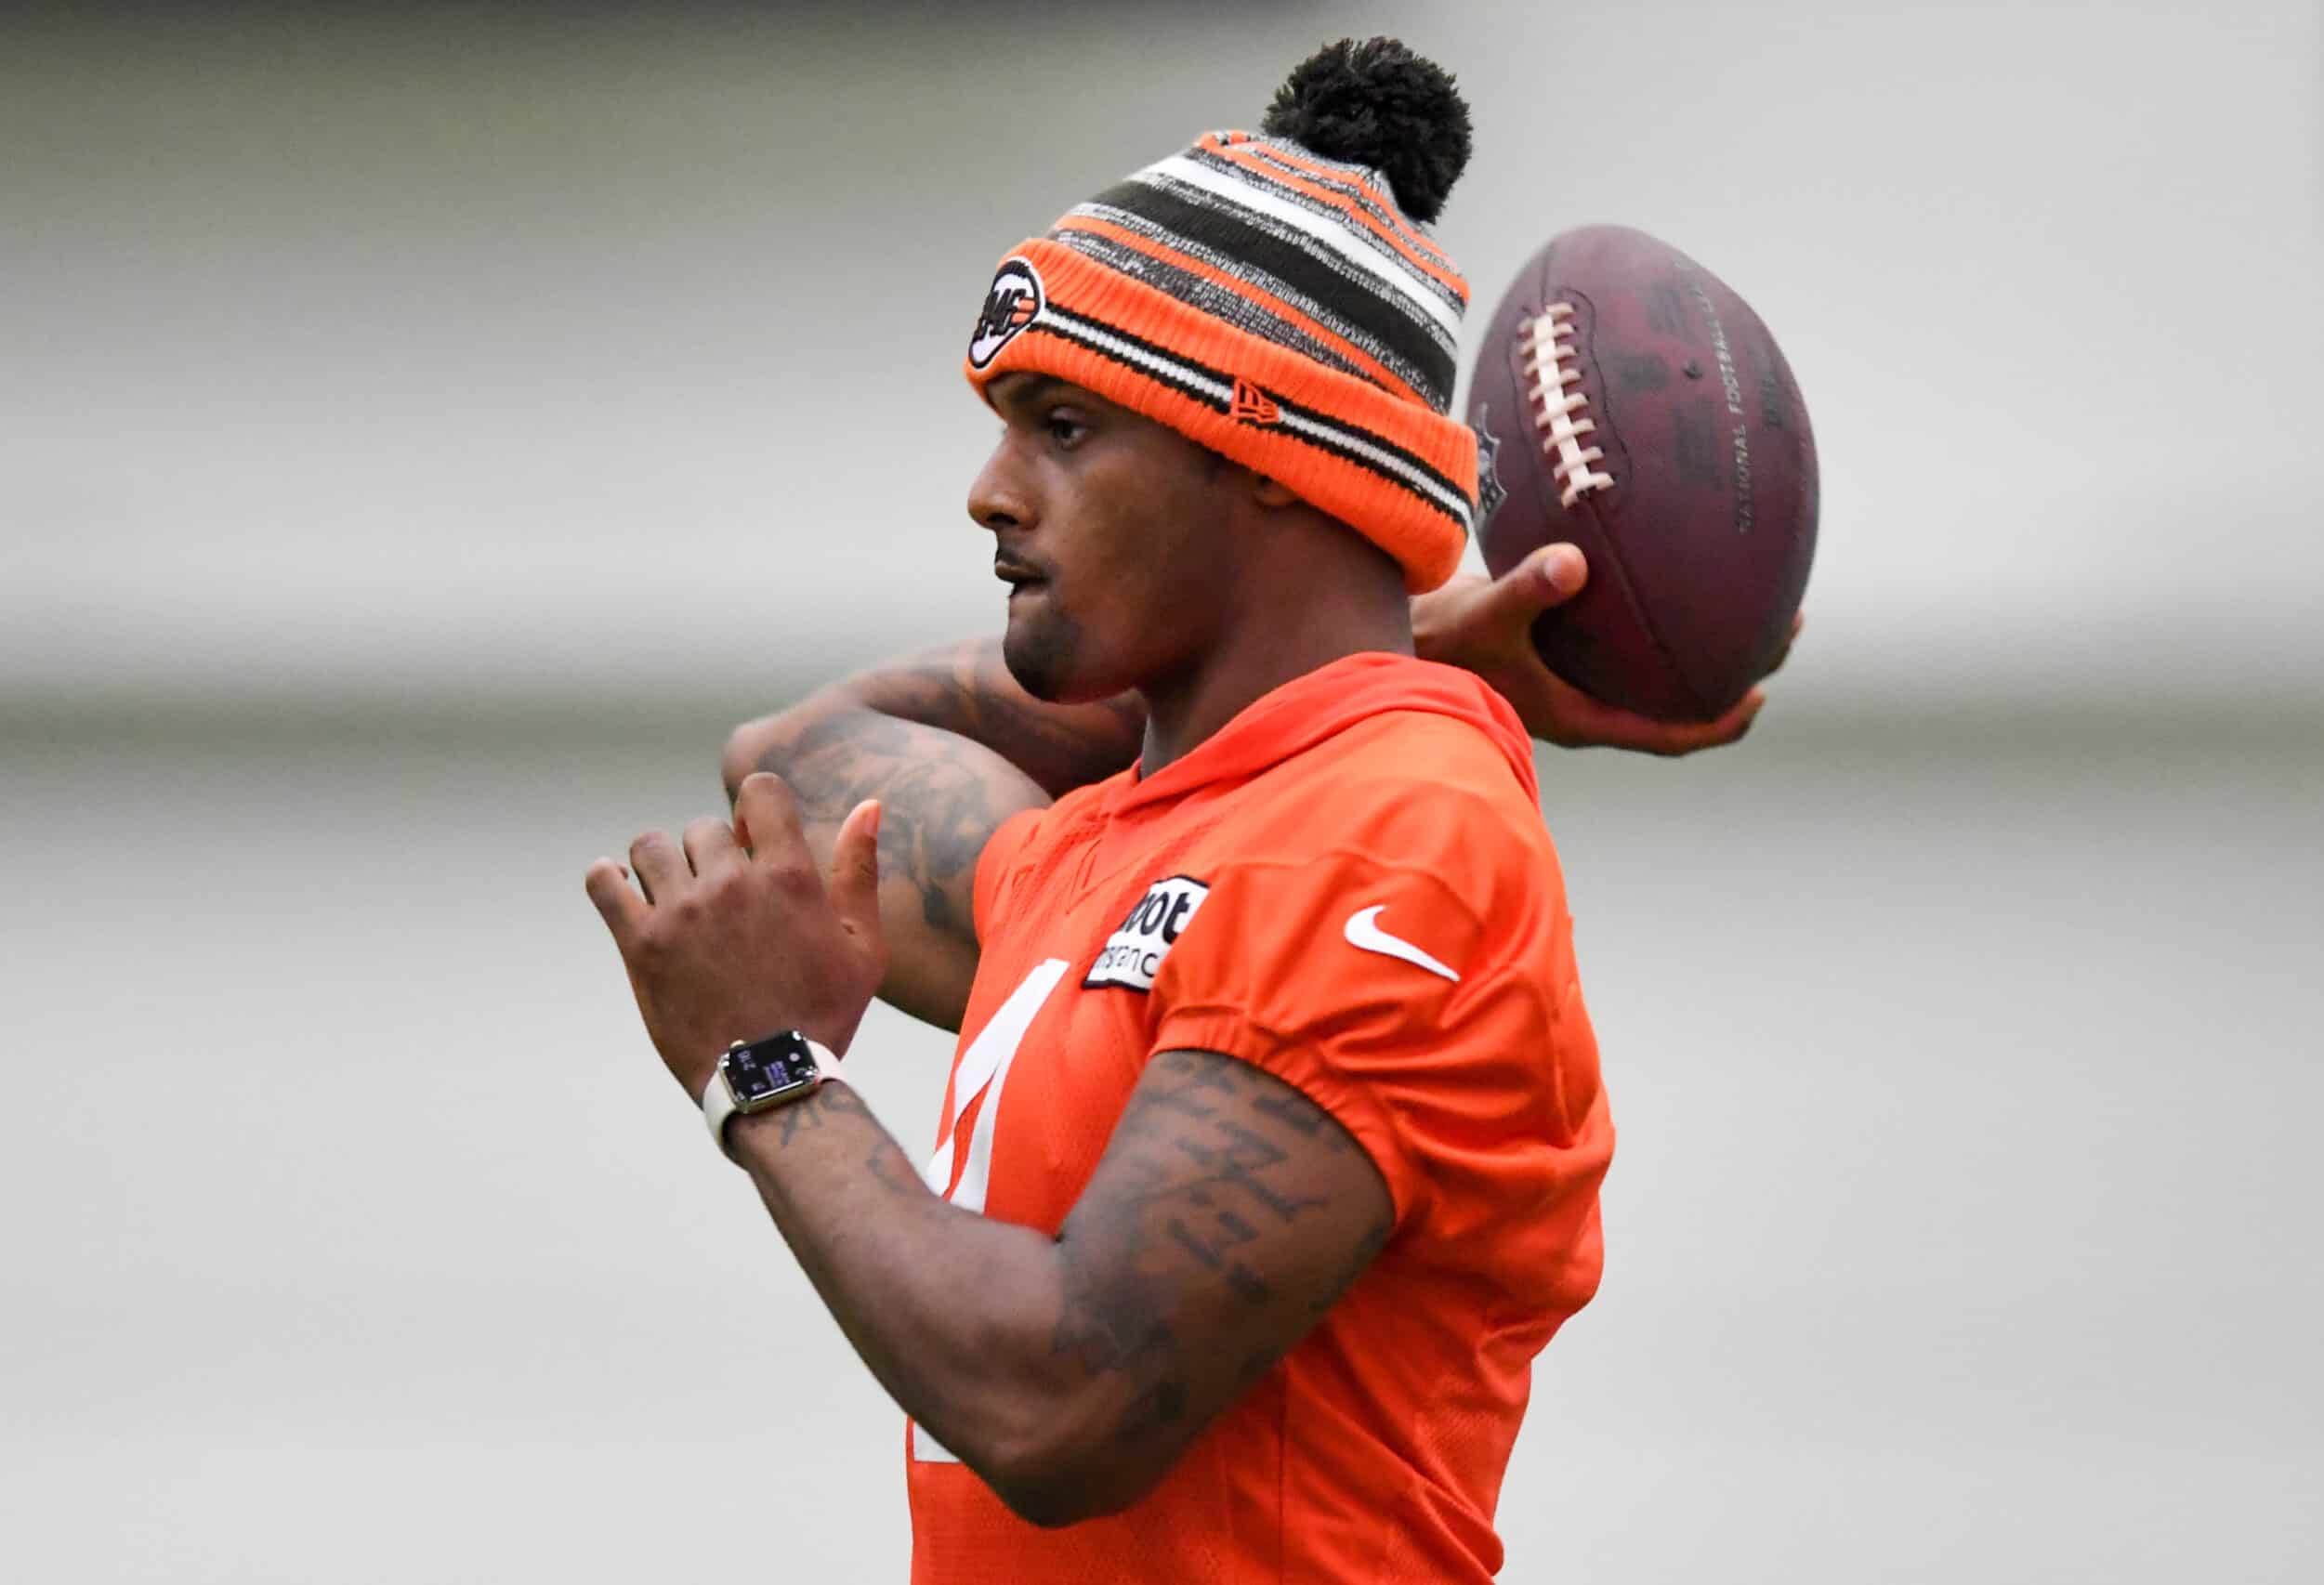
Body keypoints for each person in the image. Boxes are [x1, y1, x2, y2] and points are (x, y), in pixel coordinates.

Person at [585, 38, 1781, 1583]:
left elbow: (1070, 1394)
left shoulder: (1397, 832)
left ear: (1272, 453)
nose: (989, 489)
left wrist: (769, 1075)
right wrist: (1391, 636)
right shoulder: (1109, 841)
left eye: (1064, 428)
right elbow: (802, 755)